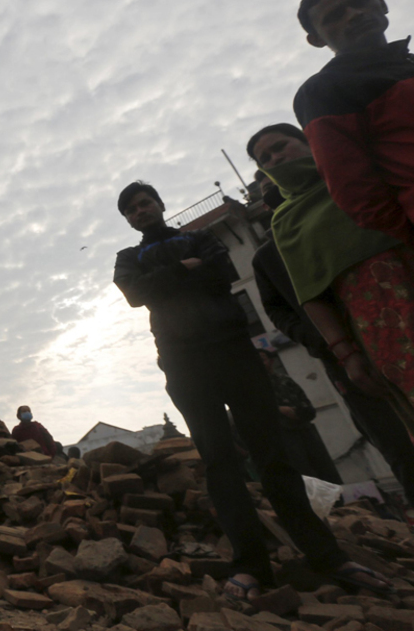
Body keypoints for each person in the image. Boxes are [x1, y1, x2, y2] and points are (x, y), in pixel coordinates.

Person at [112, 180, 386, 598]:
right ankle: (251, 565)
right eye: (131, 209)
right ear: (128, 220)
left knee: (274, 456)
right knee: (219, 461)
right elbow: (135, 294)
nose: (140, 211)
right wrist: (184, 269)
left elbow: (222, 274)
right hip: (183, 361)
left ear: (160, 204)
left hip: (235, 352)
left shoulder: (199, 236)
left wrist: (165, 279)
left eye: (145, 202)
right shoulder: (128, 257)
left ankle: (327, 556)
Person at [250, 168, 414, 502]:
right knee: (393, 441)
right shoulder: (268, 256)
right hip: (341, 357)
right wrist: (318, 337)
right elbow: (276, 310)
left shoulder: (347, 208)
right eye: (265, 186)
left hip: (391, 328)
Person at [247, 124, 414, 424]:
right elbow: (310, 293)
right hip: (376, 324)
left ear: (308, 142)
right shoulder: (285, 222)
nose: (274, 158)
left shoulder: (357, 172)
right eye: (265, 158)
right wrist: (344, 354)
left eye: (281, 146)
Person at [293, 0, 414, 243]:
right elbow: (355, 192)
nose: (355, 14)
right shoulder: (324, 90)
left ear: (381, 4)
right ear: (315, 40)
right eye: (335, 16)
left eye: (361, 2)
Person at [256, 349, 342, 485]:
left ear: (271, 361)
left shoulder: (285, 380)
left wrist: (297, 413)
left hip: (305, 431)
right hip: (283, 437)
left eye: (263, 359)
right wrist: (279, 410)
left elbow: (309, 409)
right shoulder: (255, 388)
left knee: (325, 472)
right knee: (304, 477)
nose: (260, 364)